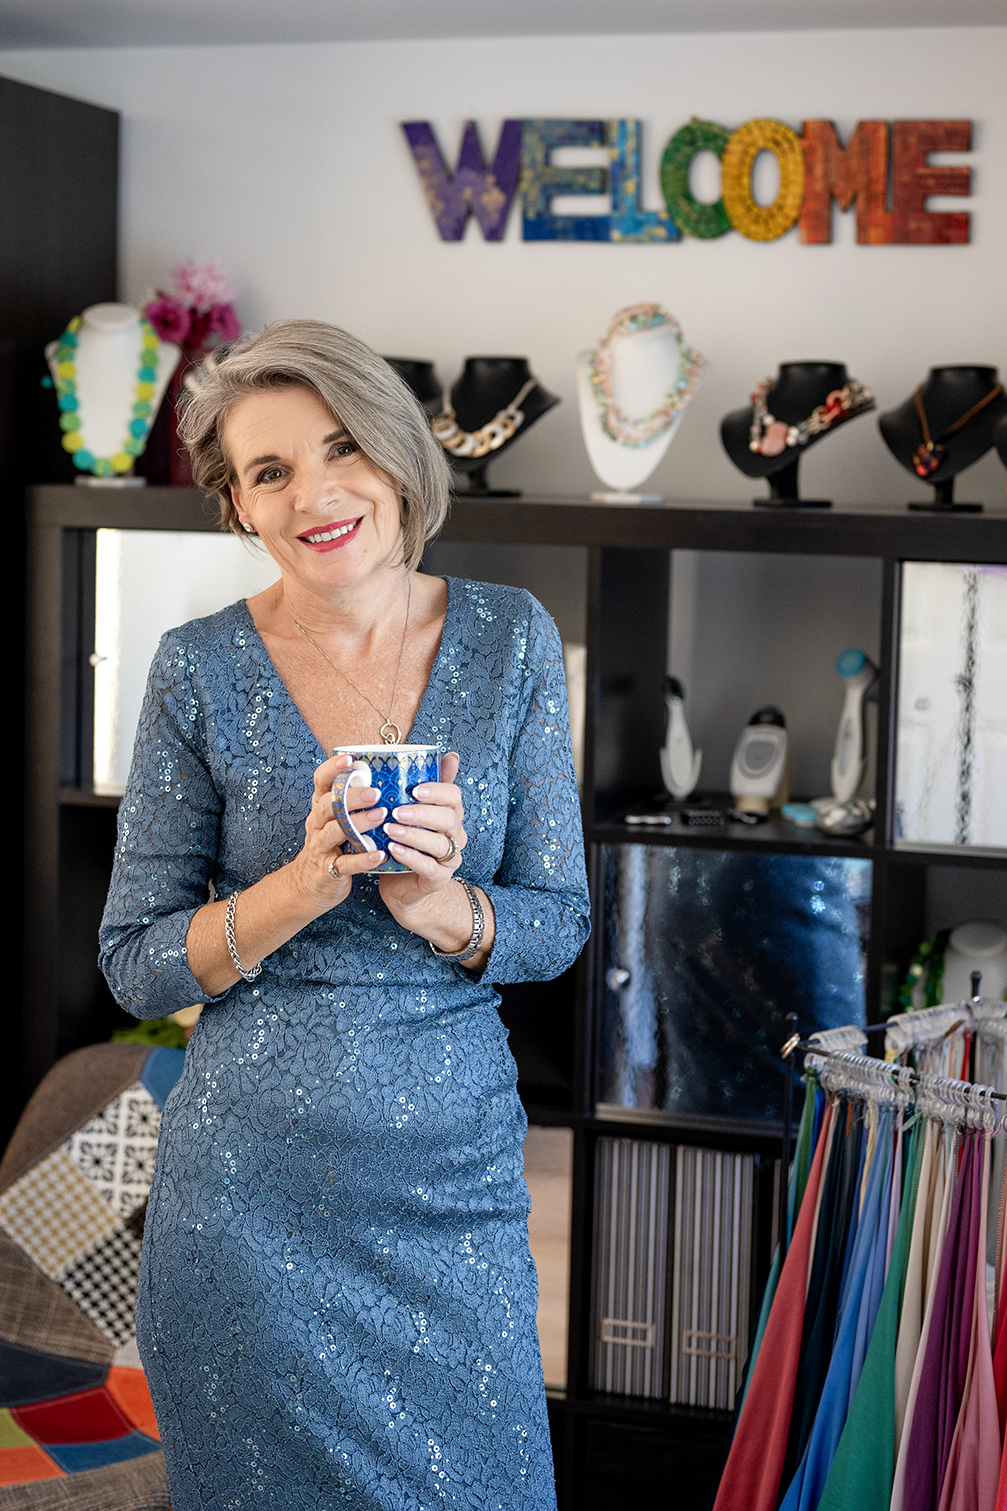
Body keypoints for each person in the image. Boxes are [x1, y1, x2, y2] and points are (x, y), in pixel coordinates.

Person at [98, 320, 590, 1511]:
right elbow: (134, 965)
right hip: (243, 1212)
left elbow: (556, 921)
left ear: (394, 450)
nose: (315, 492)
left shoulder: (511, 635)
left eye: (340, 448)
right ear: (236, 505)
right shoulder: (196, 666)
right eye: (269, 470)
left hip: (447, 1195)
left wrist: (441, 904)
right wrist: (298, 887)